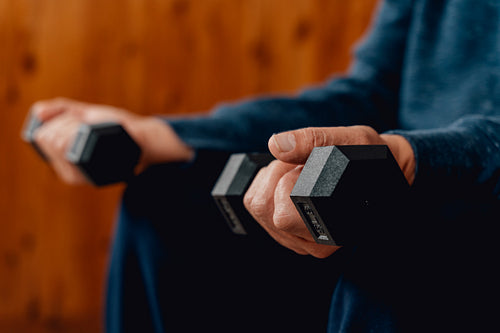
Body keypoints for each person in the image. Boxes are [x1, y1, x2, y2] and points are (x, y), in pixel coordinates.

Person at [28, 0, 500, 332]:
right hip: (405, 173)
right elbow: (368, 94)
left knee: (399, 252)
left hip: (461, 201)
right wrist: (162, 135)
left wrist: (420, 158)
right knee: (166, 202)